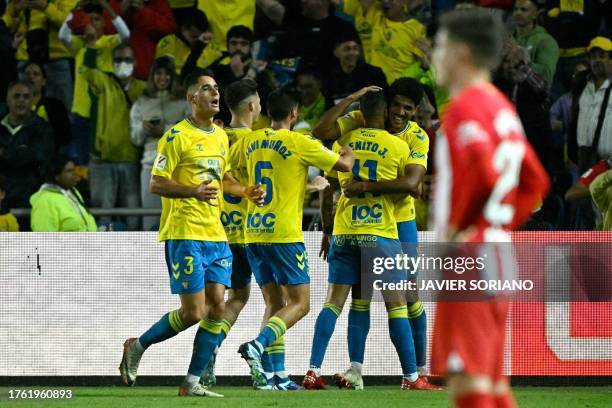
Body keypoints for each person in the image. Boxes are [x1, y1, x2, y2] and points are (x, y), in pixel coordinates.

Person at [430, 8, 549, 408]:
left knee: (469, 386)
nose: (434, 56)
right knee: (493, 386)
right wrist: (500, 223)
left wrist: (461, 227)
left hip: (470, 255)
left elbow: (481, 171)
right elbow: (536, 181)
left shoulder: (464, 108)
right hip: (498, 250)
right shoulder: (502, 108)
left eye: (440, 47)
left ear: (461, 54)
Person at [118, 73, 265, 397]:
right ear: (191, 98)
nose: (214, 92)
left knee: (217, 306)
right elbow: (156, 183)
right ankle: (137, 345)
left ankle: (192, 382)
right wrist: (191, 191)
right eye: (206, 88)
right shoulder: (175, 137)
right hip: (184, 232)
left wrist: (246, 191)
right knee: (193, 312)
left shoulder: (220, 137)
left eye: (216, 87)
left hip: (216, 234)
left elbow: (223, 178)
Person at [304, 90, 439, 391]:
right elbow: (412, 187)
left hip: (352, 229)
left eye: (407, 108)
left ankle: (315, 370)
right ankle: (408, 376)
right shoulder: (397, 145)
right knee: (390, 304)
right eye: (397, 107)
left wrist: (330, 226)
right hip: (382, 230)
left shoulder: (348, 142)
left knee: (345, 302)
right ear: (386, 109)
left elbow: (328, 188)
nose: (401, 113)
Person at [232, 89, 354, 389]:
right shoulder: (299, 141)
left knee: (275, 304)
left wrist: (306, 187)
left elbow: (230, 175)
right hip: (284, 236)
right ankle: (257, 346)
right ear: (295, 113)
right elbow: (343, 166)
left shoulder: (249, 141)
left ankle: (277, 377)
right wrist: (347, 149)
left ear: (265, 113)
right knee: (300, 304)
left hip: (252, 234)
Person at [198, 78, 261, 388]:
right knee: (268, 301)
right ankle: (273, 372)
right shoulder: (259, 141)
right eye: (258, 102)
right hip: (251, 232)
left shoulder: (218, 138)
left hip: (219, 230)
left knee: (221, 299)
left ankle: (208, 353)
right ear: (252, 106)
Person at [80, 43, 146, 230]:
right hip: (103, 161)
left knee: (134, 217)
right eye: (118, 60)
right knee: (103, 216)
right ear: (112, 62)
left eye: (127, 59)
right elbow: (86, 71)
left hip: (132, 160)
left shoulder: (143, 88)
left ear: (135, 62)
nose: (122, 63)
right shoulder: (104, 83)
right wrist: (91, 44)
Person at [58, 0, 131, 165]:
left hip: (105, 110)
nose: (92, 23)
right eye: (88, 19)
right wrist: (76, 9)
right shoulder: (79, 44)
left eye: (96, 19)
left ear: (104, 23)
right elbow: (62, 35)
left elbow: (126, 34)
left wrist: (106, 7)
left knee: (102, 156)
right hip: (82, 110)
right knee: (83, 158)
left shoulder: (110, 43)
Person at [130, 57, 190, 231]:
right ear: (152, 76)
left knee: (177, 217)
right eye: (158, 74)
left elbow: (190, 132)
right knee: (150, 218)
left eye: (167, 74)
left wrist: (164, 130)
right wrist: (144, 129)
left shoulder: (183, 102)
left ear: (173, 77)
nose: (162, 78)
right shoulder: (141, 103)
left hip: (177, 166)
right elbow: (135, 139)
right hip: (150, 164)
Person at [2, 0, 77, 110]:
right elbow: (6, 27)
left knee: (61, 111)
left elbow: (71, 23)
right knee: (22, 109)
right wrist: (15, 12)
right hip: (25, 61)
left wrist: (45, 7)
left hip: (56, 61)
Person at [336, 0, 426, 84]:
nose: (386, 1)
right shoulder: (375, 13)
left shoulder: (417, 30)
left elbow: (423, 65)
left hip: (396, 90)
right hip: (368, 86)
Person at [0, 81, 54, 211]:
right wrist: (20, 153)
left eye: (26, 96)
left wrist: (3, 153)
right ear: (8, 100)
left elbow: (37, 157)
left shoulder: (43, 128)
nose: (21, 100)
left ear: (33, 101)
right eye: (16, 96)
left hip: (29, 201)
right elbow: (24, 157)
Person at [107, 0, 176, 80]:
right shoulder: (116, 2)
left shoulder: (158, 2)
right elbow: (106, 33)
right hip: (116, 74)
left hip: (148, 72)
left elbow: (169, 29)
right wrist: (120, 12)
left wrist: (143, 11)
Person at [30, 154, 97, 231]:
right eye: (69, 171)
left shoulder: (73, 192)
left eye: (74, 170)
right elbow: (44, 240)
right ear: (56, 175)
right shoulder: (44, 201)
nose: (75, 174)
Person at [575, 36, 612, 173]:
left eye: (602, 56)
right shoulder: (581, 85)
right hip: (585, 161)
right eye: (593, 57)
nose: (597, 61)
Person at [324, 33, 387, 108]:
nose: (352, 53)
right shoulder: (330, 79)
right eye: (347, 49)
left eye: (355, 49)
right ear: (336, 53)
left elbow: (383, 102)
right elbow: (329, 109)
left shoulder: (375, 74)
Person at [155, 9, 222, 76]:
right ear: (183, 29)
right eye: (193, 36)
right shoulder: (168, 43)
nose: (198, 41)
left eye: (201, 37)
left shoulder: (207, 44)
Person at [22, 61, 72, 150]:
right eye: (27, 74)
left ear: (44, 81)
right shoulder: (14, 106)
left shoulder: (56, 106)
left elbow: (65, 138)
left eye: (36, 74)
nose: (31, 77)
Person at [511, 0, 559, 84]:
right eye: (515, 9)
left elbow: (546, 75)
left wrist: (524, 63)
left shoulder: (546, 41)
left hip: (530, 93)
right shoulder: (507, 38)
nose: (518, 12)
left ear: (535, 14)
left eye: (523, 10)